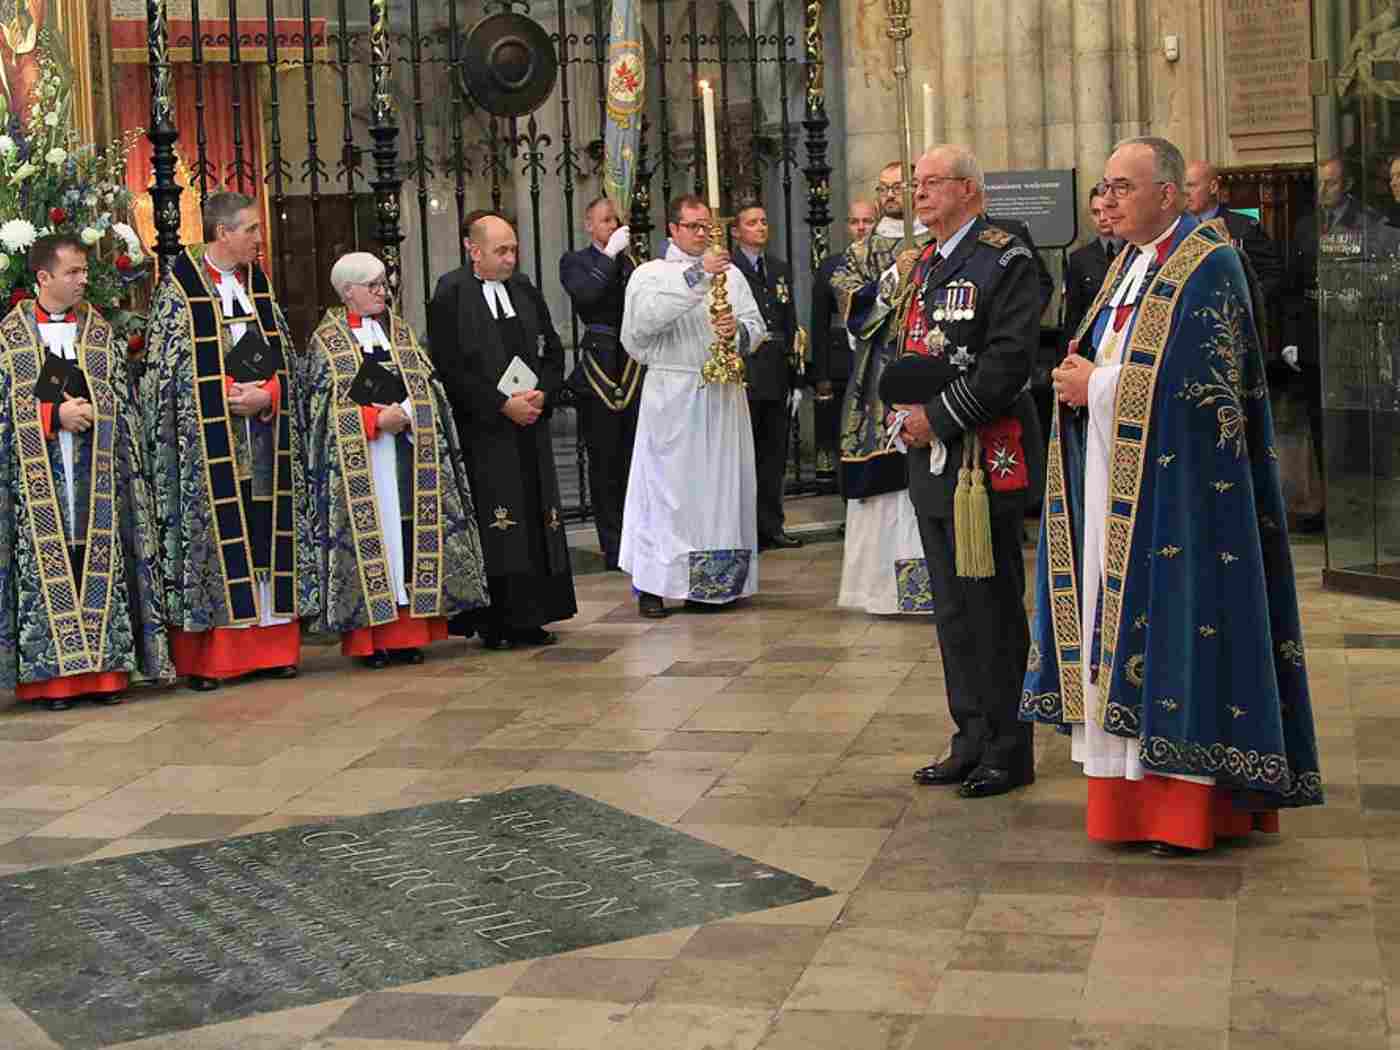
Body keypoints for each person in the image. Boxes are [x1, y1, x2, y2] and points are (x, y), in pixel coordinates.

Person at [1030, 135, 1323, 853]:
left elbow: (1203, 396)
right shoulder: (1125, 266)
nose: (1109, 199)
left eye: (1124, 187)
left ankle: (1185, 809)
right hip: (1114, 485)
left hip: (1185, 499)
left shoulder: (1210, 264)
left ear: (1168, 193)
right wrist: (1082, 377)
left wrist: (1093, 385)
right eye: (1106, 186)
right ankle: (1126, 804)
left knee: (1180, 630)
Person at [857, 144, 1044, 797]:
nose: (921, 193)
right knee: (951, 608)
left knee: (989, 605)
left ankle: (1008, 749)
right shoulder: (922, 263)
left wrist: (936, 417)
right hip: (929, 457)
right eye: (918, 183)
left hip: (981, 456)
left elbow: (1006, 363)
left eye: (933, 183)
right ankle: (969, 736)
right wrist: (902, 415)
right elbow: (899, 344)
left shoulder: (1006, 257)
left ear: (969, 188)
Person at [142, 191, 317, 691]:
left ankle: (273, 644)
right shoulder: (178, 290)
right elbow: (164, 378)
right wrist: (224, 396)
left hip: (262, 437)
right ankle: (215, 659)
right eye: (252, 230)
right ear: (223, 233)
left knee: (265, 526)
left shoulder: (259, 287)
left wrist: (269, 394)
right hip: (209, 444)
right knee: (216, 537)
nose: (260, 240)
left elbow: (286, 359)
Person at [0, 234, 171, 709]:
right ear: (43, 277)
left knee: (98, 558)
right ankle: (51, 682)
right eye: (73, 272)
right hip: (39, 484)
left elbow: (123, 399)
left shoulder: (99, 333)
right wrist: (53, 419)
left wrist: (96, 412)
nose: (82, 280)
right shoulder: (8, 339)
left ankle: (106, 674)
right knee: (48, 566)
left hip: (96, 474)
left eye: (84, 272)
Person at [301, 252, 488, 667]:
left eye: (384, 284)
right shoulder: (326, 341)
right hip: (363, 462)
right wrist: (372, 419)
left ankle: (407, 635)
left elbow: (431, 386)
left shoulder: (401, 333)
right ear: (348, 292)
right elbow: (320, 407)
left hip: (406, 453)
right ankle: (371, 643)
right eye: (372, 285)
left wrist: (410, 411)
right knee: (375, 544)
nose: (382, 291)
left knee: (407, 538)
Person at [428, 210, 576, 650]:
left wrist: (543, 395)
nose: (511, 259)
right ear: (474, 251)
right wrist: (501, 406)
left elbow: (552, 349)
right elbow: (450, 366)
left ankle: (536, 615)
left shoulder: (525, 290)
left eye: (514, 249)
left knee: (536, 516)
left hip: (530, 422)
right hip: (487, 431)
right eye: (501, 251)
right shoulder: (452, 293)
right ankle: (497, 621)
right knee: (499, 523)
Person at [619, 194, 767, 617]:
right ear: (673, 229)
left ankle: (711, 584)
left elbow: (757, 327)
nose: (702, 235)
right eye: (693, 227)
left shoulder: (732, 275)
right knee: (668, 495)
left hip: (723, 394)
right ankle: (654, 585)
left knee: (719, 491)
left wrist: (735, 331)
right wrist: (698, 276)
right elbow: (642, 325)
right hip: (674, 392)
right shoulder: (650, 274)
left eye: (707, 227)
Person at [827, 161, 936, 616]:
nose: (893, 194)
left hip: (926, 369)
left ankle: (929, 588)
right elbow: (852, 306)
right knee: (884, 485)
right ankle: (879, 592)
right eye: (885, 187)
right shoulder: (861, 250)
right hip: (878, 378)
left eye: (901, 186)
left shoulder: (937, 240)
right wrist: (892, 277)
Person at [1280, 156, 1395, 531]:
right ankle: (1331, 507)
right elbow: (1293, 288)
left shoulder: (1369, 224)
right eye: (1319, 184)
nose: (1323, 191)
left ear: (1345, 185)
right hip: (1317, 336)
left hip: (1355, 338)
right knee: (1319, 422)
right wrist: (1291, 340)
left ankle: (1365, 509)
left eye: (1330, 183)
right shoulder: (1306, 228)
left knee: (1357, 426)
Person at [560, 198, 641, 572]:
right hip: (601, 365)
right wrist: (609, 256)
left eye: (616, 220)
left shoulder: (633, 261)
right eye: (605, 220)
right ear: (589, 225)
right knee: (605, 462)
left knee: (635, 459)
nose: (613, 225)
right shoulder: (576, 261)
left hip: (635, 361)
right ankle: (613, 544)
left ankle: (640, 539)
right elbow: (588, 297)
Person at [731, 201, 802, 551]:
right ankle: (746, 529)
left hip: (775, 369)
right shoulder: (728, 269)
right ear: (735, 231)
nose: (760, 227)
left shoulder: (778, 268)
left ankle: (772, 525)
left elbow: (788, 319)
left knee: (774, 457)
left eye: (763, 221)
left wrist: (796, 372)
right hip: (747, 367)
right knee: (745, 456)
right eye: (751, 222)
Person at [810, 199, 877, 491]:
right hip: (842, 364)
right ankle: (849, 507)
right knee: (845, 437)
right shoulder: (831, 266)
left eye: (867, 221)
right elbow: (819, 322)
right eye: (854, 221)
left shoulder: (891, 259)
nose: (861, 227)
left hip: (878, 360)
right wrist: (821, 374)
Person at [1183, 160, 1283, 304]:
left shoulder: (1242, 226)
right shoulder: (1178, 227)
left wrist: (1244, 305)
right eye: (1183, 187)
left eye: (1191, 186)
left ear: (1213, 187)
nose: (1186, 193)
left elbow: (1271, 275)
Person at [1062, 184, 1122, 347]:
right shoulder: (1079, 259)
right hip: (1091, 345)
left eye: (1107, 209)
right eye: (1096, 212)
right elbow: (1073, 316)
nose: (1102, 217)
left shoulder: (1136, 251)